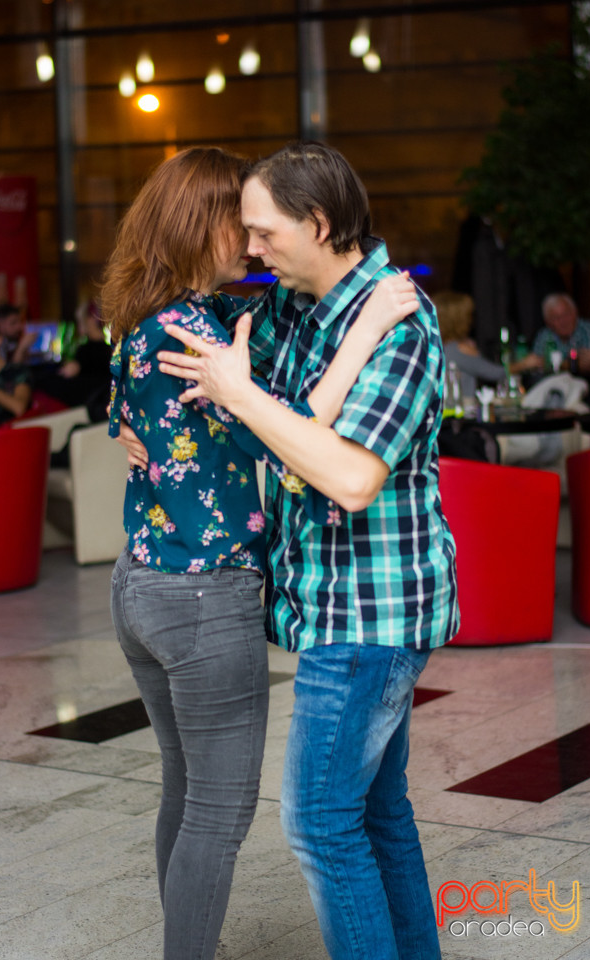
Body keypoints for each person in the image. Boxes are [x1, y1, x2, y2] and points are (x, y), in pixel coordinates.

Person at [103, 146, 419, 960]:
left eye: (260, 229)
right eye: (236, 227)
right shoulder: (201, 334)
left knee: (187, 791)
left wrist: (128, 428)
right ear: (196, 226)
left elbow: (121, 399)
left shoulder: (149, 313)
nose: (249, 246)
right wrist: (365, 332)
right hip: (201, 594)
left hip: (141, 580)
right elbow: (289, 439)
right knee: (219, 811)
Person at [433, 289, 542, 398]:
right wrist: (525, 364)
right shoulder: (457, 349)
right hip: (462, 406)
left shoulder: (437, 347)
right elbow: (494, 373)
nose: (471, 320)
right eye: (468, 315)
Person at [532, 292, 590, 371]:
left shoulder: (588, 329)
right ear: (548, 322)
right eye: (557, 318)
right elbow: (536, 362)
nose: (563, 321)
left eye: (566, 314)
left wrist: (557, 363)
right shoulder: (545, 334)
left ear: (575, 313)